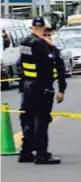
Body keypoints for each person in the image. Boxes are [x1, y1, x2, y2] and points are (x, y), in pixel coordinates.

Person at [18, 16, 64, 164]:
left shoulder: (26, 41)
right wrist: (53, 47)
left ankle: (26, 151)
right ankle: (41, 153)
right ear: (43, 28)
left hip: (28, 85)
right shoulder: (39, 44)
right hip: (41, 85)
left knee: (28, 118)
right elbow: (51, 61)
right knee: (42, 119)